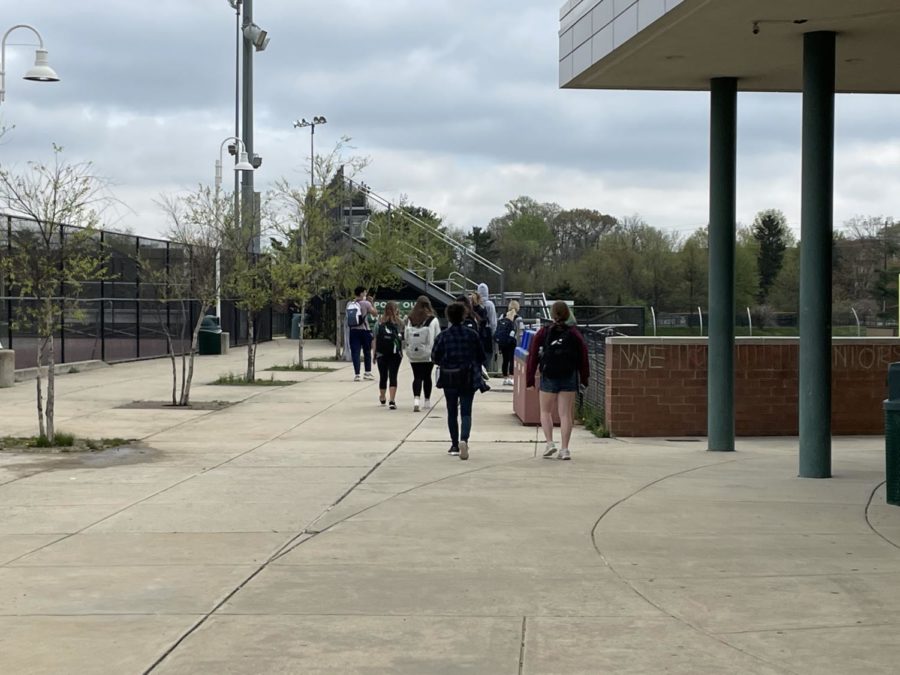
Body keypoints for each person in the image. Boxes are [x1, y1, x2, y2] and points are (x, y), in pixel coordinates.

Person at [525, 301, 589, 461]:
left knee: (545, 412)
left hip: (549, 375)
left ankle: (549, 443)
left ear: (552, 315)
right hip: (568, 376)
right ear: (568, 314)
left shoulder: (544, 332)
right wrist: (584, 378)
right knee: (565, 414)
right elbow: (584, 356)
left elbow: (532, 355)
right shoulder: (574, 334)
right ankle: (565, 449)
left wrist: (530, 378)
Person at [432, 301, 485, 460]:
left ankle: (454, 444)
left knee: (451, 411)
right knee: (466, 411)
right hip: (468, 376)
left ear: (448, 316)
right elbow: (481, 356)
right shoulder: (472, 335)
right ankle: (464, 439)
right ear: (464, 316)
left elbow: (434, 357)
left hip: (449, 377)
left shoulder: (443, 336)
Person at [404, 295, 441, 412]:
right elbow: (438, 336)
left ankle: (416, 401)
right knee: (427, 377)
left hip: (414, 353)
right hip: (428, 353)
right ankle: (427, 401)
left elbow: (406, 337)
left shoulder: (410, 319)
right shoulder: (433, 319)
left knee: (417, 376)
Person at [375, 301, 404, 409]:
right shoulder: (400, 323)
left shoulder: (379, 322)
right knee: (393, 375)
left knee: (383, 376)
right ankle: (392, 400)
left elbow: (375, 338)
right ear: (396, 310)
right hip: (395, 353)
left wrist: (374, 352)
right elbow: (402, 338)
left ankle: (382, 396)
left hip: (381, 353)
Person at [347, 286, 377, 382]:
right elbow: (375, 313)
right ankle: (367, 372)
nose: (365, 294)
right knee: (366, 351)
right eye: (364, 292)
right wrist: (371, 302)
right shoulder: (366, 303)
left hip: (353, 331)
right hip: (364, 330)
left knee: (355, 352)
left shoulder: (350, 304)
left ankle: (357, 374)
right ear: (361, 294)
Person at [496, 299, 525, 386]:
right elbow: (521, 331)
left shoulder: (502, 316)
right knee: (512, 359)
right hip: (513, 341)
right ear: (517, 308)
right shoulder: (518, 318)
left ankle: (505, 378)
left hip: (503, 341)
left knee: (505, 360)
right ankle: (512, 377)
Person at [477, 283, 498, 374]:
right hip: (487, 332)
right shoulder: (490, 305)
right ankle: (485, 370)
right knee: (487, 353)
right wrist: (494, 334)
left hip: (476, 332)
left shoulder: (474, 303)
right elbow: (493, 322)